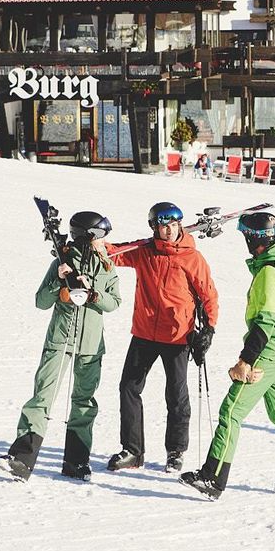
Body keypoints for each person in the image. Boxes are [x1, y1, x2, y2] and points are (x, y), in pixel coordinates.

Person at [181, 211, 275, 500]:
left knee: (231, 411)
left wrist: (246, 360)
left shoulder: (269, 271)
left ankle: (213, 478)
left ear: (255, 239)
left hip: (266, 354)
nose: (244, 240)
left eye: (245, 236)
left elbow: (266, 320)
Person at [1, 210, 122, 481]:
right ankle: (22, 458)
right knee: (42, 397)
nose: (105, 241)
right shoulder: (61, 261)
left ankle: (77, 461)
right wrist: (59, 280)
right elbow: (41, 301)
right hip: (60, 341)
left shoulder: (106, 266)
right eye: (101, 235)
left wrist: (93, 294)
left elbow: (114, 302)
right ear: (88, 235)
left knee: (84, 401)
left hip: (91, 345)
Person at [102, 202, 219, 474]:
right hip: (144, 332)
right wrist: (94, 241)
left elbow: (209, 296)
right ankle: (133, 450)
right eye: (163, 226)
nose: (169, 231)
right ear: (154, 227)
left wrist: (209, 330)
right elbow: (114, 255)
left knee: (176, 395)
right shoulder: (144, 252)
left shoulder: (192, 258)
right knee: (128, 388)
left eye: (174, 225)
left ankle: (176, 451)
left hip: (178, 335)